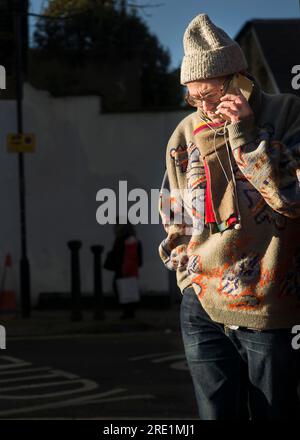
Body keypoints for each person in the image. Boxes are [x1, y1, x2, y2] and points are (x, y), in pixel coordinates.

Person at [158, 13, 300, 420]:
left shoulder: (287, 113)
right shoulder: (187, 131)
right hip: (201, 299)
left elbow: (292, 198)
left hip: (267, 306)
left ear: (239, 79)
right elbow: (174, 206)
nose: (201, 108)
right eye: (192, 98)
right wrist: (184, 270)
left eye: (208, 94)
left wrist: (245, 135)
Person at [104, 217, 143, 319]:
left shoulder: (123, 239)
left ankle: (128, 312)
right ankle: (129, 312)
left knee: (121, 289)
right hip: (128, 268)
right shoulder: (131, 238)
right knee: (127, 289)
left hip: (124, 269)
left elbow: (124, 255)